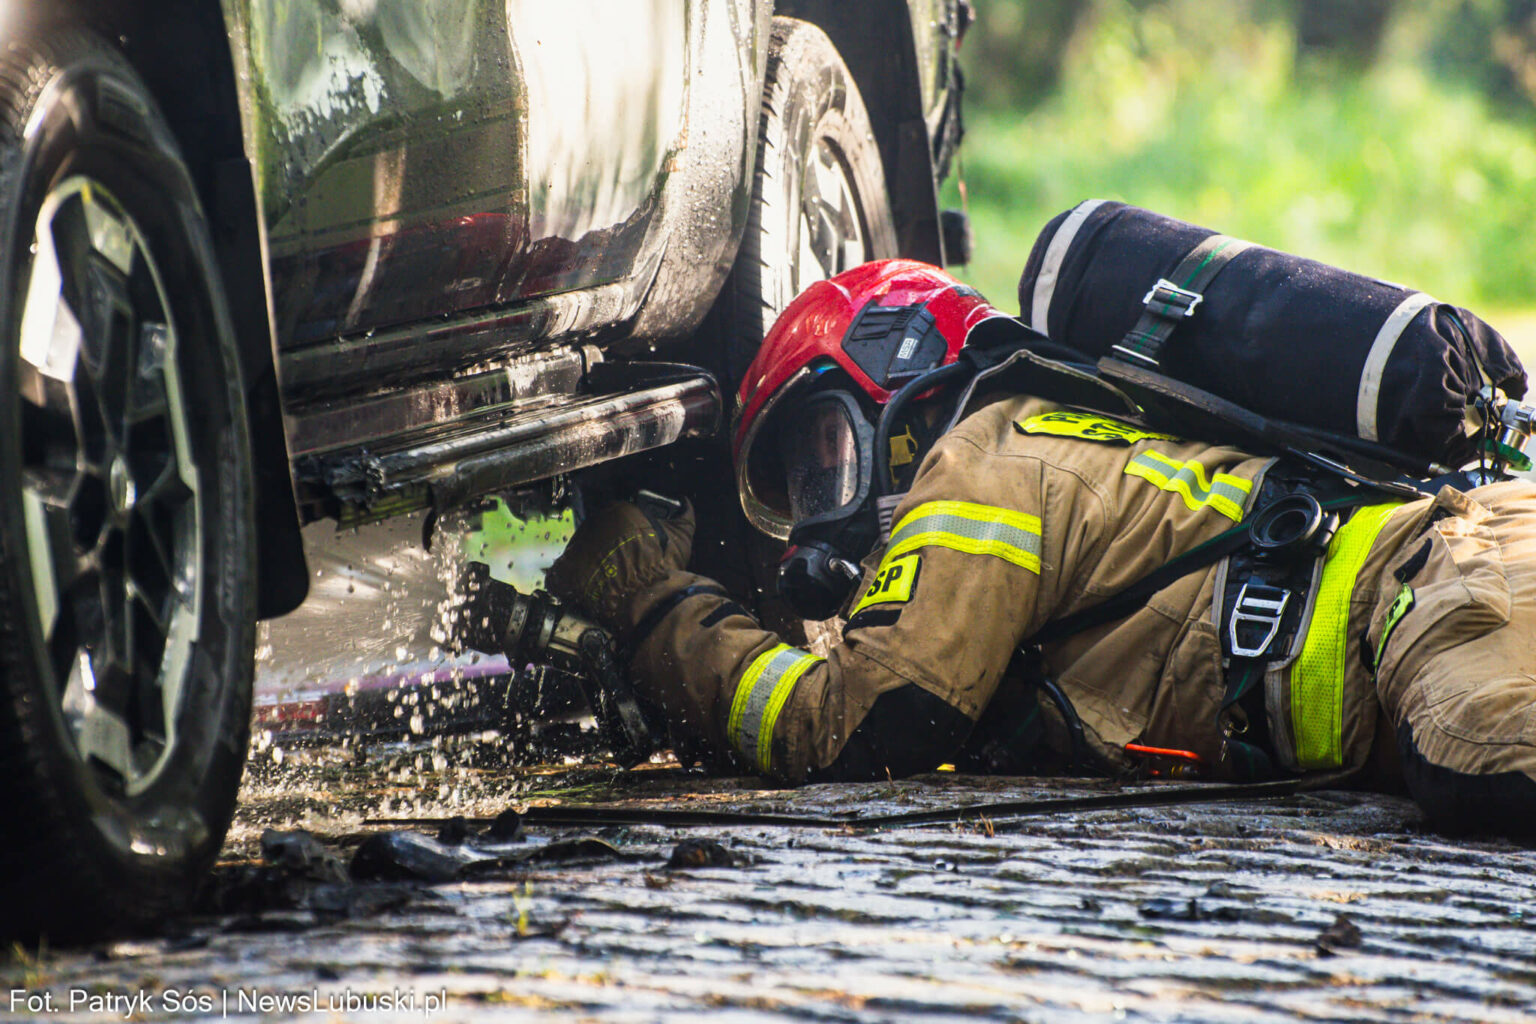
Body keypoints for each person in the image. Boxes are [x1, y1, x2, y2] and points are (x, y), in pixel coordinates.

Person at [544, 259, 1536, 834]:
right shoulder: (1051, 439)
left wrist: (652, 604)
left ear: (901, 395)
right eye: (800, 485)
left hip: (1446, 594)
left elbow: (851, 725)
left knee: (1485, 767)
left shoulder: (981, 459)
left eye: (826, 455)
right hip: (1454, 577)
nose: (820, 512)